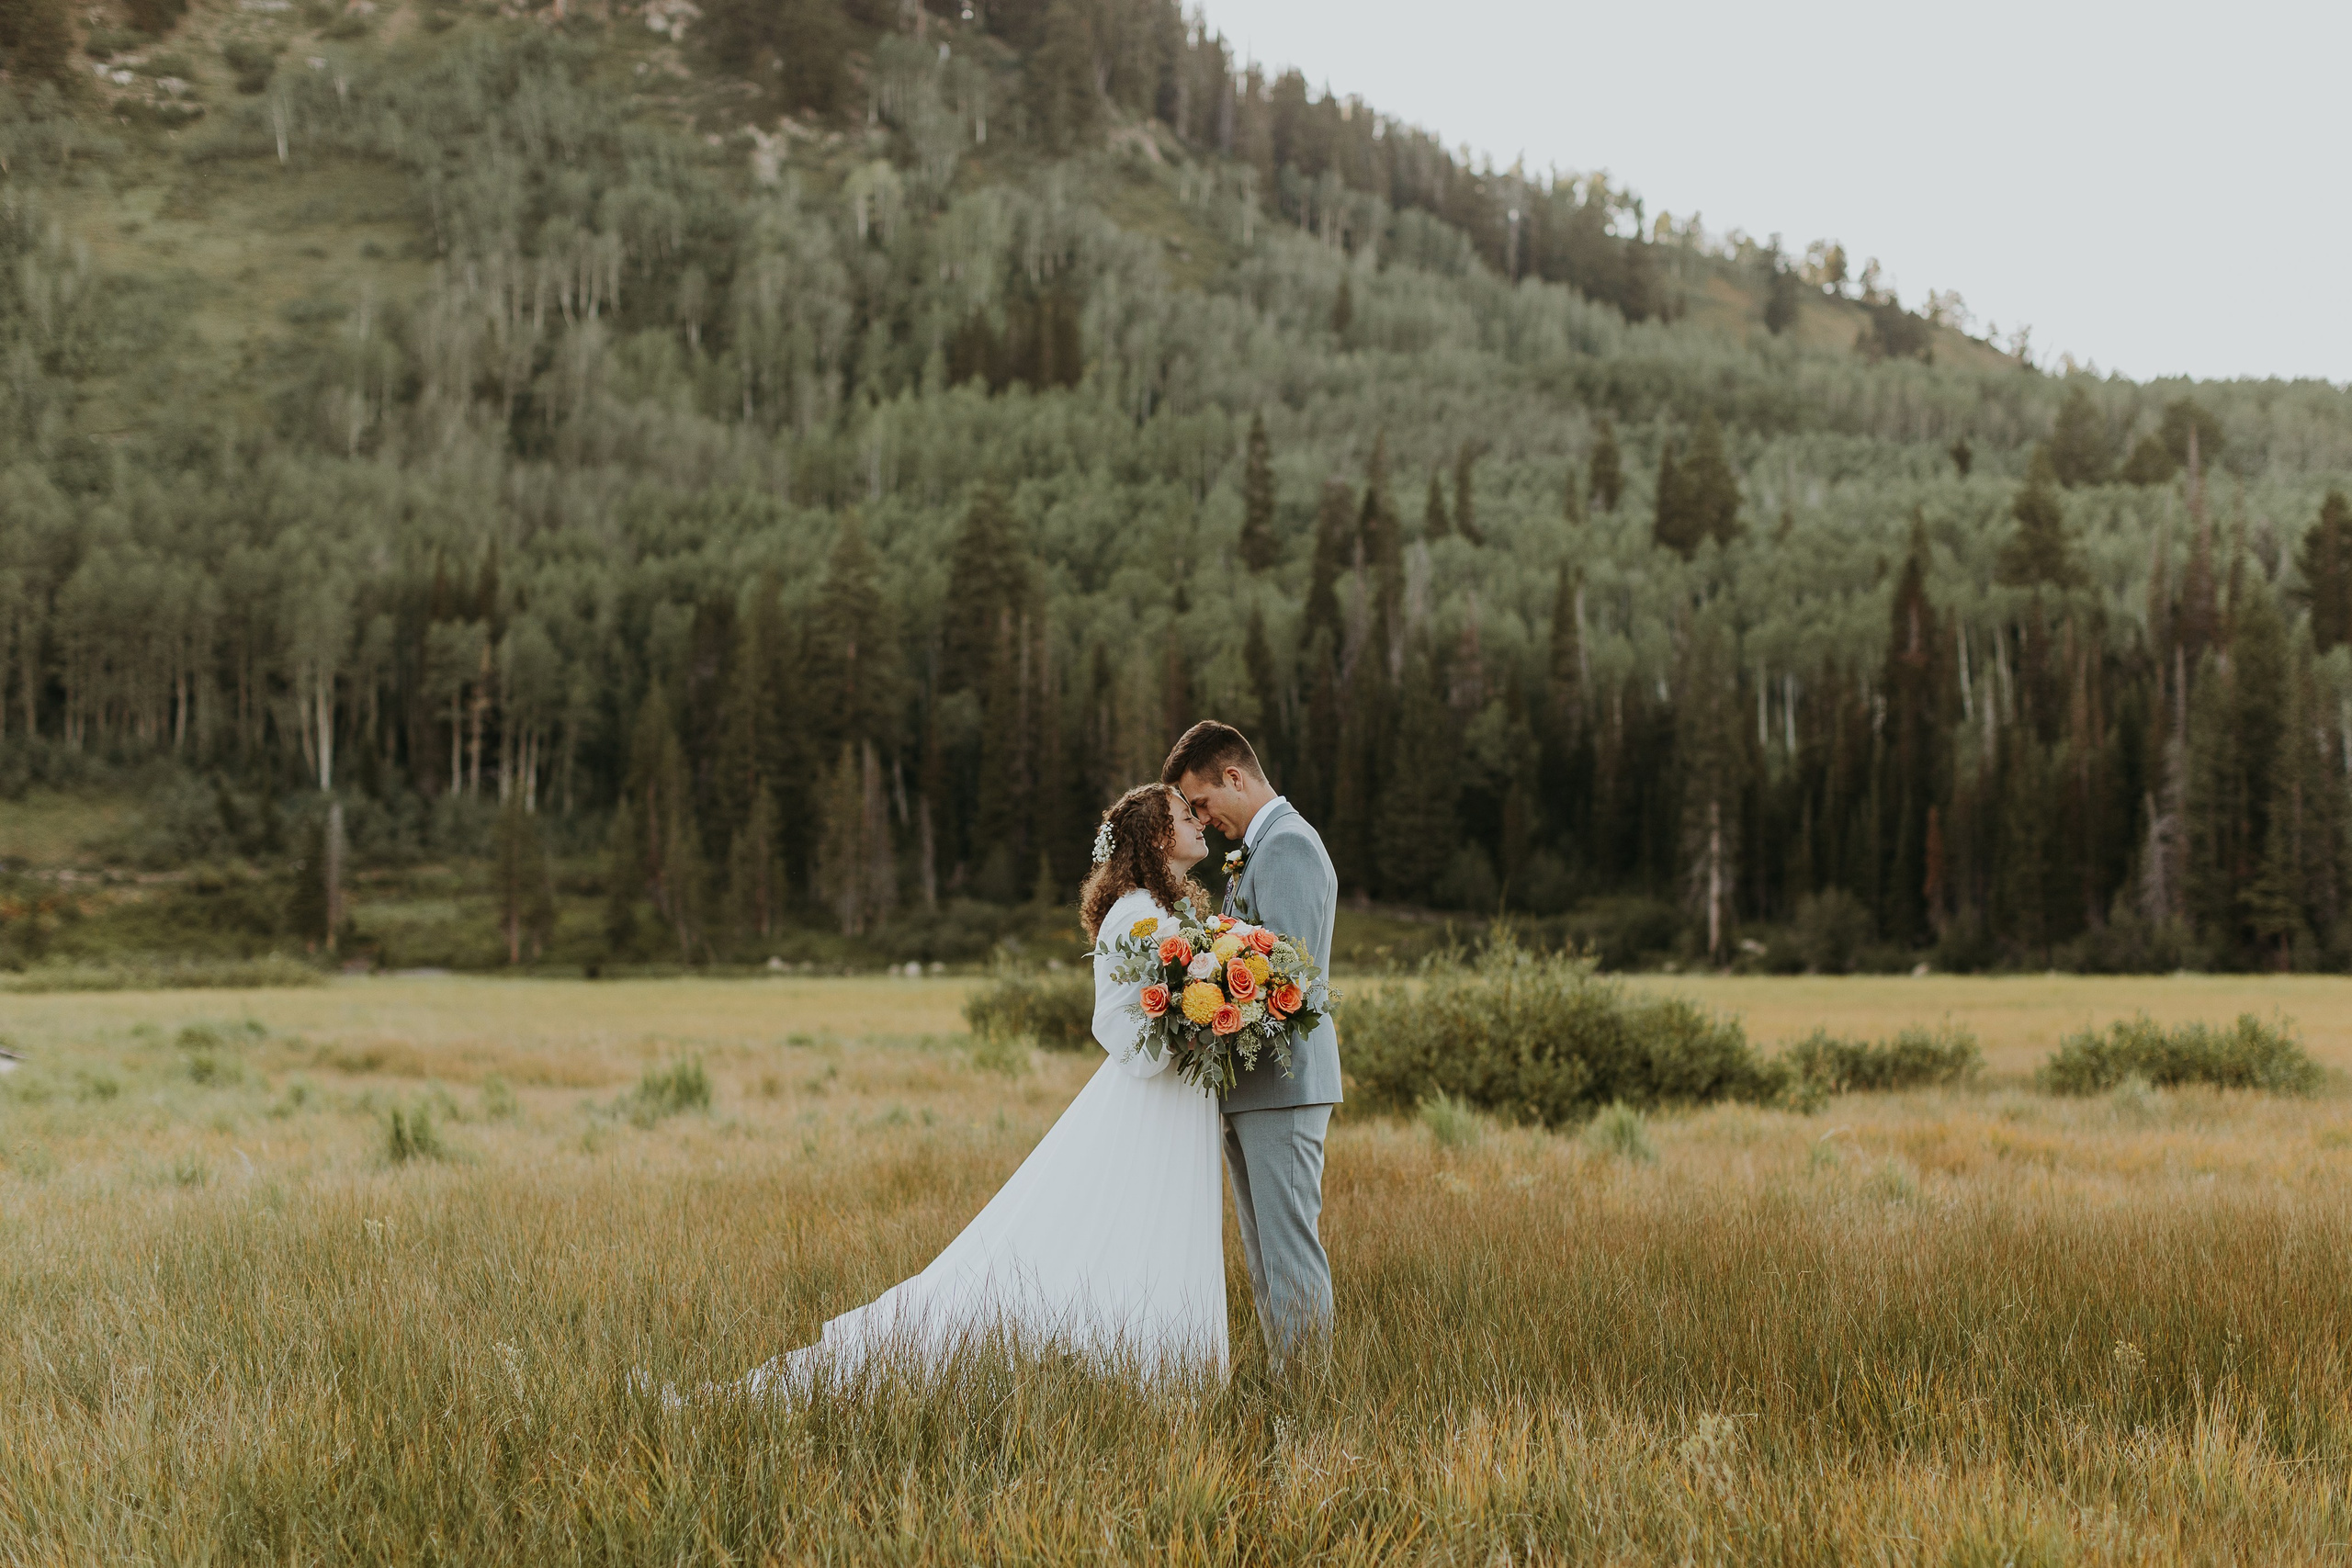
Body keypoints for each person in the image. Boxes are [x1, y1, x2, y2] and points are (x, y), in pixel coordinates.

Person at [702, 784, 1227, 1400]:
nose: (1197, 822)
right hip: (1150, 1098)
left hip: (1176, 1101)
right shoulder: (1136, 912)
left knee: (1154, 1221)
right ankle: (1136, 1366)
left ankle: (1163, 1365)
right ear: (1156, 836)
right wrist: (1183, 1031)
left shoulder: (1170, 910)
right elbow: (1112, 1022)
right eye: (1183, 814)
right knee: (1112, 1223)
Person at [1160, 720, 1341, 1371]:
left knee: (1289, 1255)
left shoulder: (1289, 844)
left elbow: (1286, 977)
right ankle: (1287, 1382)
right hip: (1255, 1088)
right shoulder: (1258, 850)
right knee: (1266, 1261)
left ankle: (1310, 1399)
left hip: (1285, 1087)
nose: (1202, 820)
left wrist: (1206, 988)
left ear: (1234, 777)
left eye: (1202, 802)